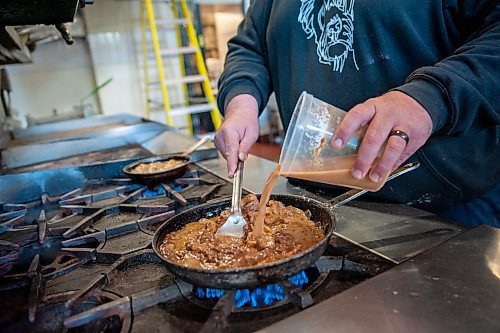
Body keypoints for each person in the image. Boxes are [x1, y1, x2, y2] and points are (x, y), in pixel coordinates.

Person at [214, 0, 500, 227]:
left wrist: (431, 97)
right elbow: (250, 47)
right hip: (307, 202)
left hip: (442, 212)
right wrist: (242, 102)